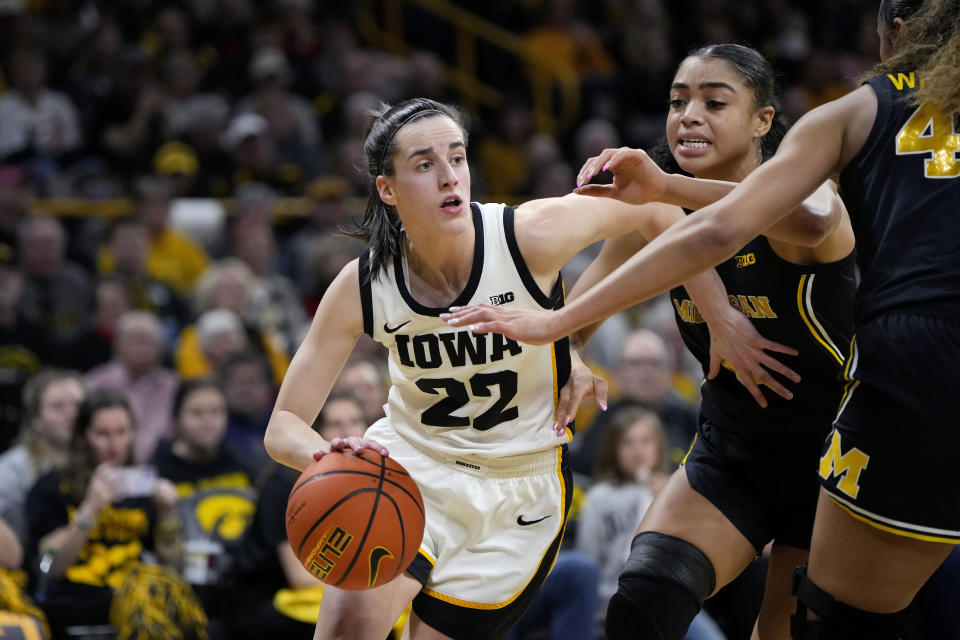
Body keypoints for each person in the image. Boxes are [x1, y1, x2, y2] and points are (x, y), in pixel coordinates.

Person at [444, 2, 960, 637]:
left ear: (763, 120)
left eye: (714, 103)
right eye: (677, 101)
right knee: (641, 605)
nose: (689, 115)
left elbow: (807, 220)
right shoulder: (652, 213)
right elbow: (573, 324)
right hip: (734, 452)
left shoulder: (805, 188)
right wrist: (571, 360)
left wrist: (670, 203)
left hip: (836, 455)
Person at [262, 97, 781, 640]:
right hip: (410, 469)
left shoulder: (528, 234)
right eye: (424, 164)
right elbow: (284, 427)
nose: (448, 177)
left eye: (457, 158)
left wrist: (716, 317)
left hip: (520, 489)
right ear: (387, 189)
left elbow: (653, 210)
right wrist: (326, 457)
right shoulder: (363, 285)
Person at [24, 389, 188, 637]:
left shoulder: (143, 484)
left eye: (122, 432)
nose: (114, 445)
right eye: (102, 434)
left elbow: (172, 564)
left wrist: (167, 514)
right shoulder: (53, 486)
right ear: (83, 436)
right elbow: (49, 565)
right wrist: (90, 509)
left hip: (134, 595)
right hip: (75, 598)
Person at [576, 407, 724, 640]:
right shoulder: (599, 497)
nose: (638, 450)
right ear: (613, 450)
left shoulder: (675, 490)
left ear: (658, 447)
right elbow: (588, 556)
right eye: (628, 442)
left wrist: (669, 495)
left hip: (669, 598)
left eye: (645, 441)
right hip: (611, 597)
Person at [0, 370, 85, 549]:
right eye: (58, 406)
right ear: (35, 418)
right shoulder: (12, 469)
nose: (72, 414)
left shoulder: (98, 460)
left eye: (78, 405)